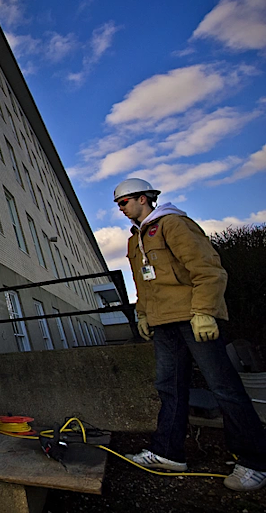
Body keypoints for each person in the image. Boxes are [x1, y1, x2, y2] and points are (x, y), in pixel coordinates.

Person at [114, 178, 266, 491]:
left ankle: (255, 461)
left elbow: (208, 269)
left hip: (193, 317)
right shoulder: (135, 239)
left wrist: (205, 312)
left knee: (223, 386)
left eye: (124, 202)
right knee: (169, 387)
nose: (121, 208)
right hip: (164, 322)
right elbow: (144, 283)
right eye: (118, 204)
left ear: (143, 198)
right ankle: (168, 453)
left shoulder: (174, 224)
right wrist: (142, 314)